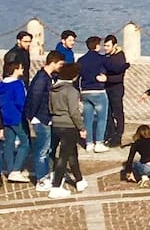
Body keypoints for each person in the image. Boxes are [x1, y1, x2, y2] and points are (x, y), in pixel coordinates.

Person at [48, 63, 85, 198]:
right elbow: (74, 112)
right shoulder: (72, 91)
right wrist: (81, 127)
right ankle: (56, 186)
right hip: (69, 126)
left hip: (56, 124)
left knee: (71, 153)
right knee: (64, 157)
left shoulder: (53, 89)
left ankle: (79, 180)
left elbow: (50, 107)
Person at [26, 51, 62, 192]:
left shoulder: (48, 77)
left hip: (45, 118)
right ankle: (41, 179)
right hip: (41, 118)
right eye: (59, 64)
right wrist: (33, 116)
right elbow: (34, 98)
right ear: (53, 62)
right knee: (42, 150)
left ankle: (46, 175)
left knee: (46, 149)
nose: (61, 67)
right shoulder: (41, 79)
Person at [0, 60, 31, 184]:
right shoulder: (18, 84)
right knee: (25, 143)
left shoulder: (1, 84)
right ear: (15, 69)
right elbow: (21, 101)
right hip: (17, 117)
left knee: (9, 143)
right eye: (21, 68)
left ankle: (10, 169)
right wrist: (28, 113)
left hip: (5, 117)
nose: (22, 70)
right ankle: (15, 170)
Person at [75, 36, 110, 153]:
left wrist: (78, 91)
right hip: (98, 91)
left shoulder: (81, 60)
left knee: (87, 118)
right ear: (97, 46)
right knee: (101, 118)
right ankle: (99, 142)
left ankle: (88, 143)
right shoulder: (102, 59)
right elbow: (111, 68)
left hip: (85, 91)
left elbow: (76, 78)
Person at [102, 35, 132, 148]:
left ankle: (118, 135)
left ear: (114, 46)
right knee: (108, 112)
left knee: (118, 112)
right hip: (107, 88)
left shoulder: (119, 57)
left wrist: (107, 78)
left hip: (116, 89)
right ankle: (110, 133)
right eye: (104, 45)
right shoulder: (106, 56)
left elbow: (120, 77)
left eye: (108, 46)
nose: (105, 48)